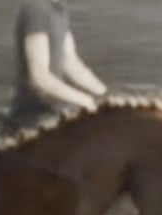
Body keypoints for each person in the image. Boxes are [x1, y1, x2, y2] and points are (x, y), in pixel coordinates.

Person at [7, 0, 108, 130]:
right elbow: (39, 77)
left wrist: (104, 93)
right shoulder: (35, 8)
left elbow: (70, 62)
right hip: (33, 116)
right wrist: (86, 101)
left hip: (55, 110)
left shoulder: (59, 9)